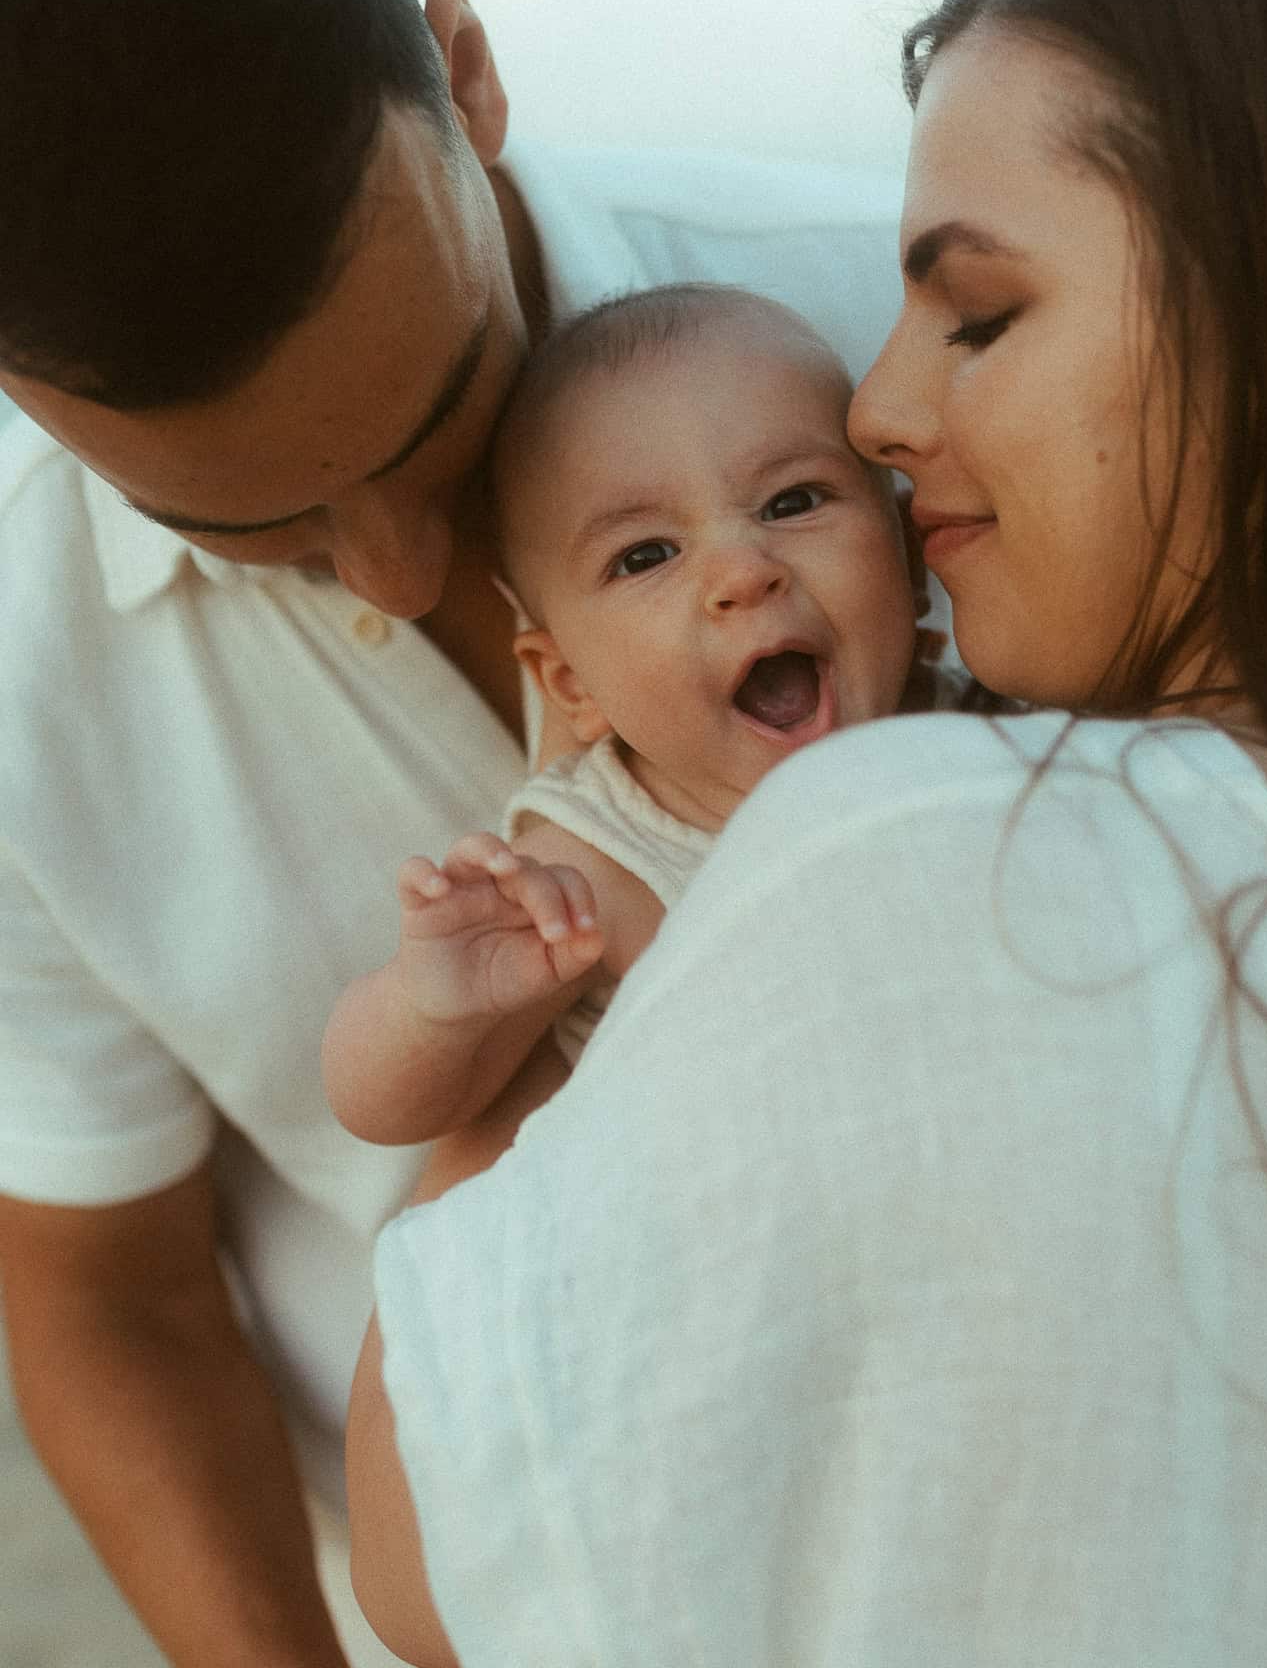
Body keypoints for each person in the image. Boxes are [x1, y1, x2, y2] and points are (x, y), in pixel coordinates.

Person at [348, 0, 1267, 1668]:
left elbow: (426, 1555)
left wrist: (503, 1114)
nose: (884, 410)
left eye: (979, 309)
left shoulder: (918, 867)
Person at [0, 0, 910, 1668]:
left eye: (436, 418)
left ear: (470, 68)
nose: (409, 575)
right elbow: (103, 1283)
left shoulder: (895, 328)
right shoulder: (14, 673)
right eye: (257, 529)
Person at [323, 284, 916, 1173]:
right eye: (646, 555)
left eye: (792, 501)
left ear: (907, 557)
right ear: (572, 684)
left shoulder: (995, 730)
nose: (742, 573)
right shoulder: (602, 869)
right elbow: (384, 1107)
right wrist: (433, 1006)